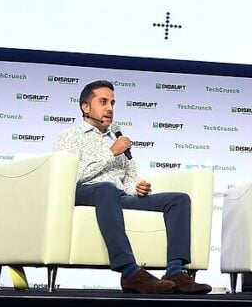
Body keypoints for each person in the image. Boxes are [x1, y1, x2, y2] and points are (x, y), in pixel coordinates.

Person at [54, 80, 211, 295]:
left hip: (115, 195)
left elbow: (128, 178)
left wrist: (137, 188)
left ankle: (175, 272)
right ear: (85, 107)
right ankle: (130, 272)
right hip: (84, 192)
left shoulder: (117, 138)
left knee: (179, 200)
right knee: (106, 188)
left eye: (112, 103)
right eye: (103, 102)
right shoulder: (69, 136)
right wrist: (111, 153)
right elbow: (70, 176)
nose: (109, 108)